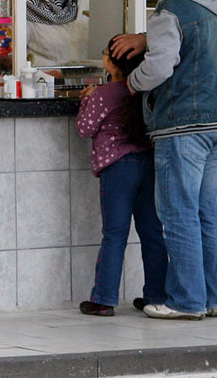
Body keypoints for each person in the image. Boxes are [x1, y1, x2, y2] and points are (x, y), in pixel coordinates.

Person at [111, 0, 217, 321]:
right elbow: (191, 38)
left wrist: (130, 84)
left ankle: (185, 301)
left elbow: (162, 66)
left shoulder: (170, 9)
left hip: (183, 124)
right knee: (208, 212)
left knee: (178, 212)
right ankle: (211, 298)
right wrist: (146, 38)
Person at [75, 36, 168, 317]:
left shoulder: (104, 94)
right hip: (149, 165)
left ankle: (104, 298)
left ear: (110, 61)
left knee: (115, 234)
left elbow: (84, 128)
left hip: (118, 169)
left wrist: (86, 100)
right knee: (152, 233)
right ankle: (156, 295)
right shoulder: (146, 89)